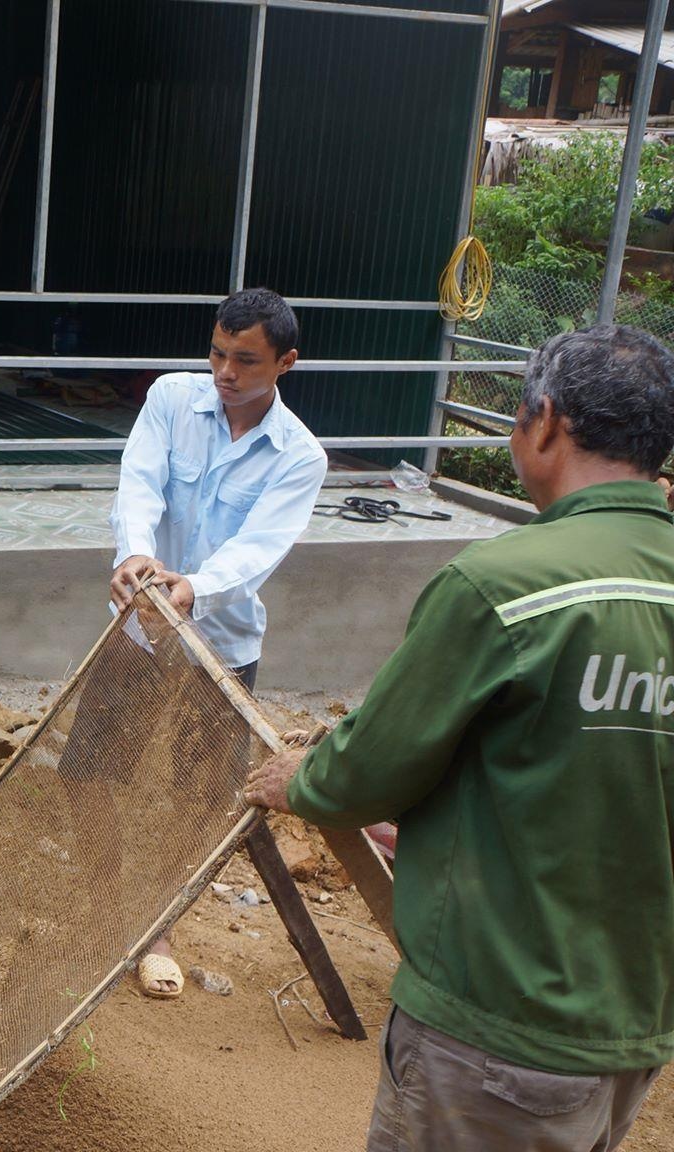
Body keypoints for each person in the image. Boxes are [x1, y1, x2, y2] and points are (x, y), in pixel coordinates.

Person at [248, 324, 674, 1152]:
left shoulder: (501, 587)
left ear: (543, 422)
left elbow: (359, 775)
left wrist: (299, 777)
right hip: (633, 1030)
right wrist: (441, 831)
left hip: (493, 1036)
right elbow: (602, 779)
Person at [106, 287, 328, 998]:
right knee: (89, 772)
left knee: (197, 799)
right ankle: (106, 904)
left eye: (245, 360)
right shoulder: (173, 399)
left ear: (285, 363)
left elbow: (259, 549)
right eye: (217, 353)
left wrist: (194, 587)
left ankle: (157, 926)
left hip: (221, 646)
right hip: (137, 632)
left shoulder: (299, 456)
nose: (224, 372)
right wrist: (136, 555)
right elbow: (138, 482)